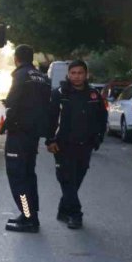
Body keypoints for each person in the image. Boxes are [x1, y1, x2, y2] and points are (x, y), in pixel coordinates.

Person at [44, 59, 107, 230]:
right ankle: (75, 214)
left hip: (85, 145)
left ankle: (64, 209)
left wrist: (98, 138)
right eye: (73, 73)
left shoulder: (94, 95)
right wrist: (50, 140)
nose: (76, 76)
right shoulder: (59, 93)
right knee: (66, 180)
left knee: (76, 180)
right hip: (63, 145)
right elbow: (50, 118)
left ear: (86, 75)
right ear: (68, 74)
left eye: (80, 73)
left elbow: (102, 118)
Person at [2, 44, 51, 232]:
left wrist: (7, 124)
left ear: (16, 58)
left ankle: (28, 217)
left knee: (18, 177)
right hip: (32, 136)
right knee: (29, 175)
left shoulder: (20, 75)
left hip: (19, 134)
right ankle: (31, 215)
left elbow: (12, 104)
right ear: (32, 58)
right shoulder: (43, 78)